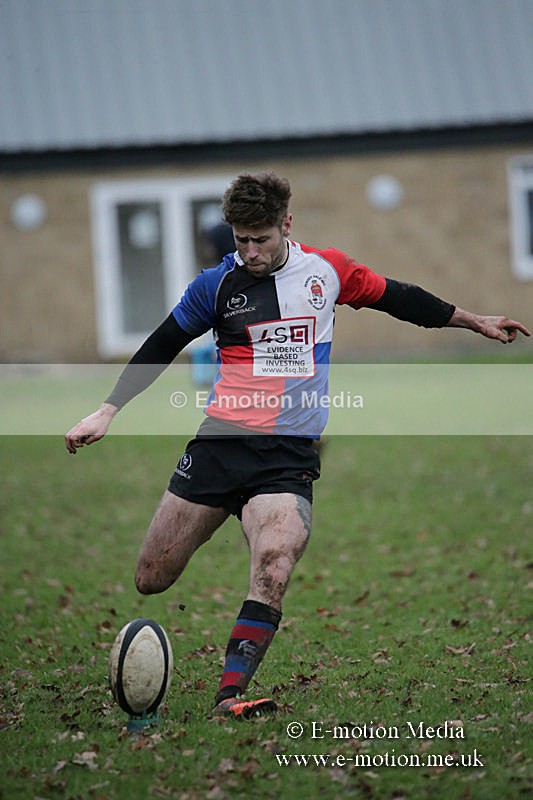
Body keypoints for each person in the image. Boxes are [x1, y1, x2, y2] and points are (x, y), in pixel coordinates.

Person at [65, 172, 530, 719]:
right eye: (240, 239)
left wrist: (473, 320)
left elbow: (397, 297)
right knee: (151, 578)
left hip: (286, 455)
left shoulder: (327, 270)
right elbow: (163, 342)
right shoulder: (215, 286)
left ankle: (229, 696)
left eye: (260, 238)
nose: (250, 251)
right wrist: (109, 408)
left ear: (287, 224)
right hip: (221, 444)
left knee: (274, 562)